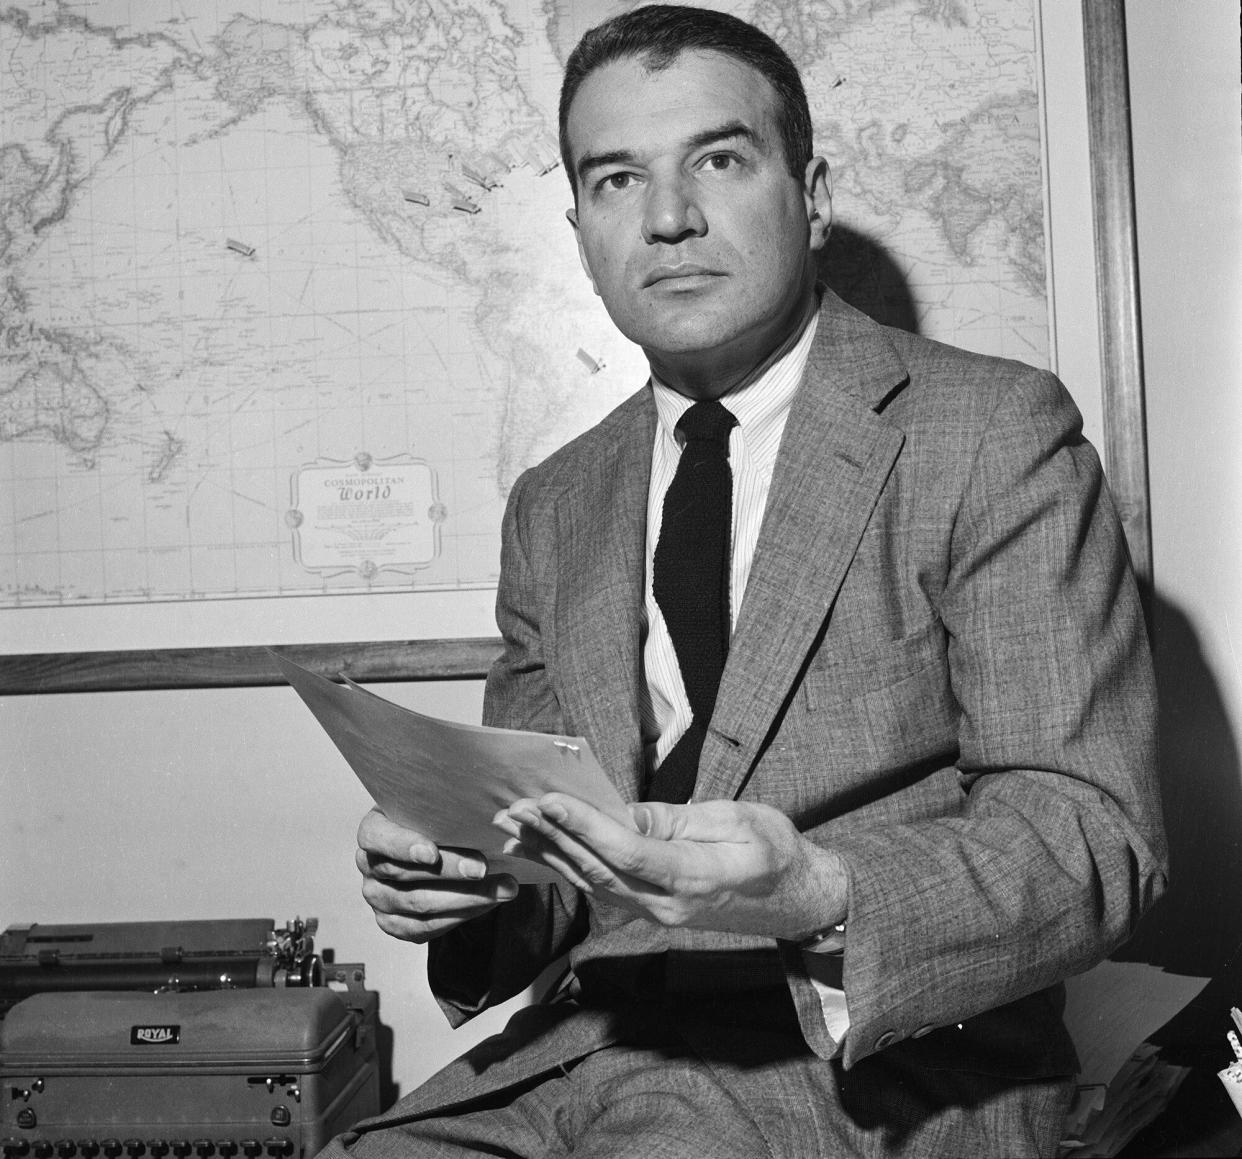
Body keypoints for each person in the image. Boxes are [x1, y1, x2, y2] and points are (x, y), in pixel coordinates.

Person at [326, 7, 1166, 1156]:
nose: (669, 219)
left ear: (811, 196)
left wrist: (817, 886)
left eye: (718, 160)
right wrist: (473, 881)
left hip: (871, 1063)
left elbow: (1091, 835)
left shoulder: (993, 432)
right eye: (618, 180)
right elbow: (558, 860)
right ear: (579, 230)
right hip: (581, 1048)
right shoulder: (555, 503)